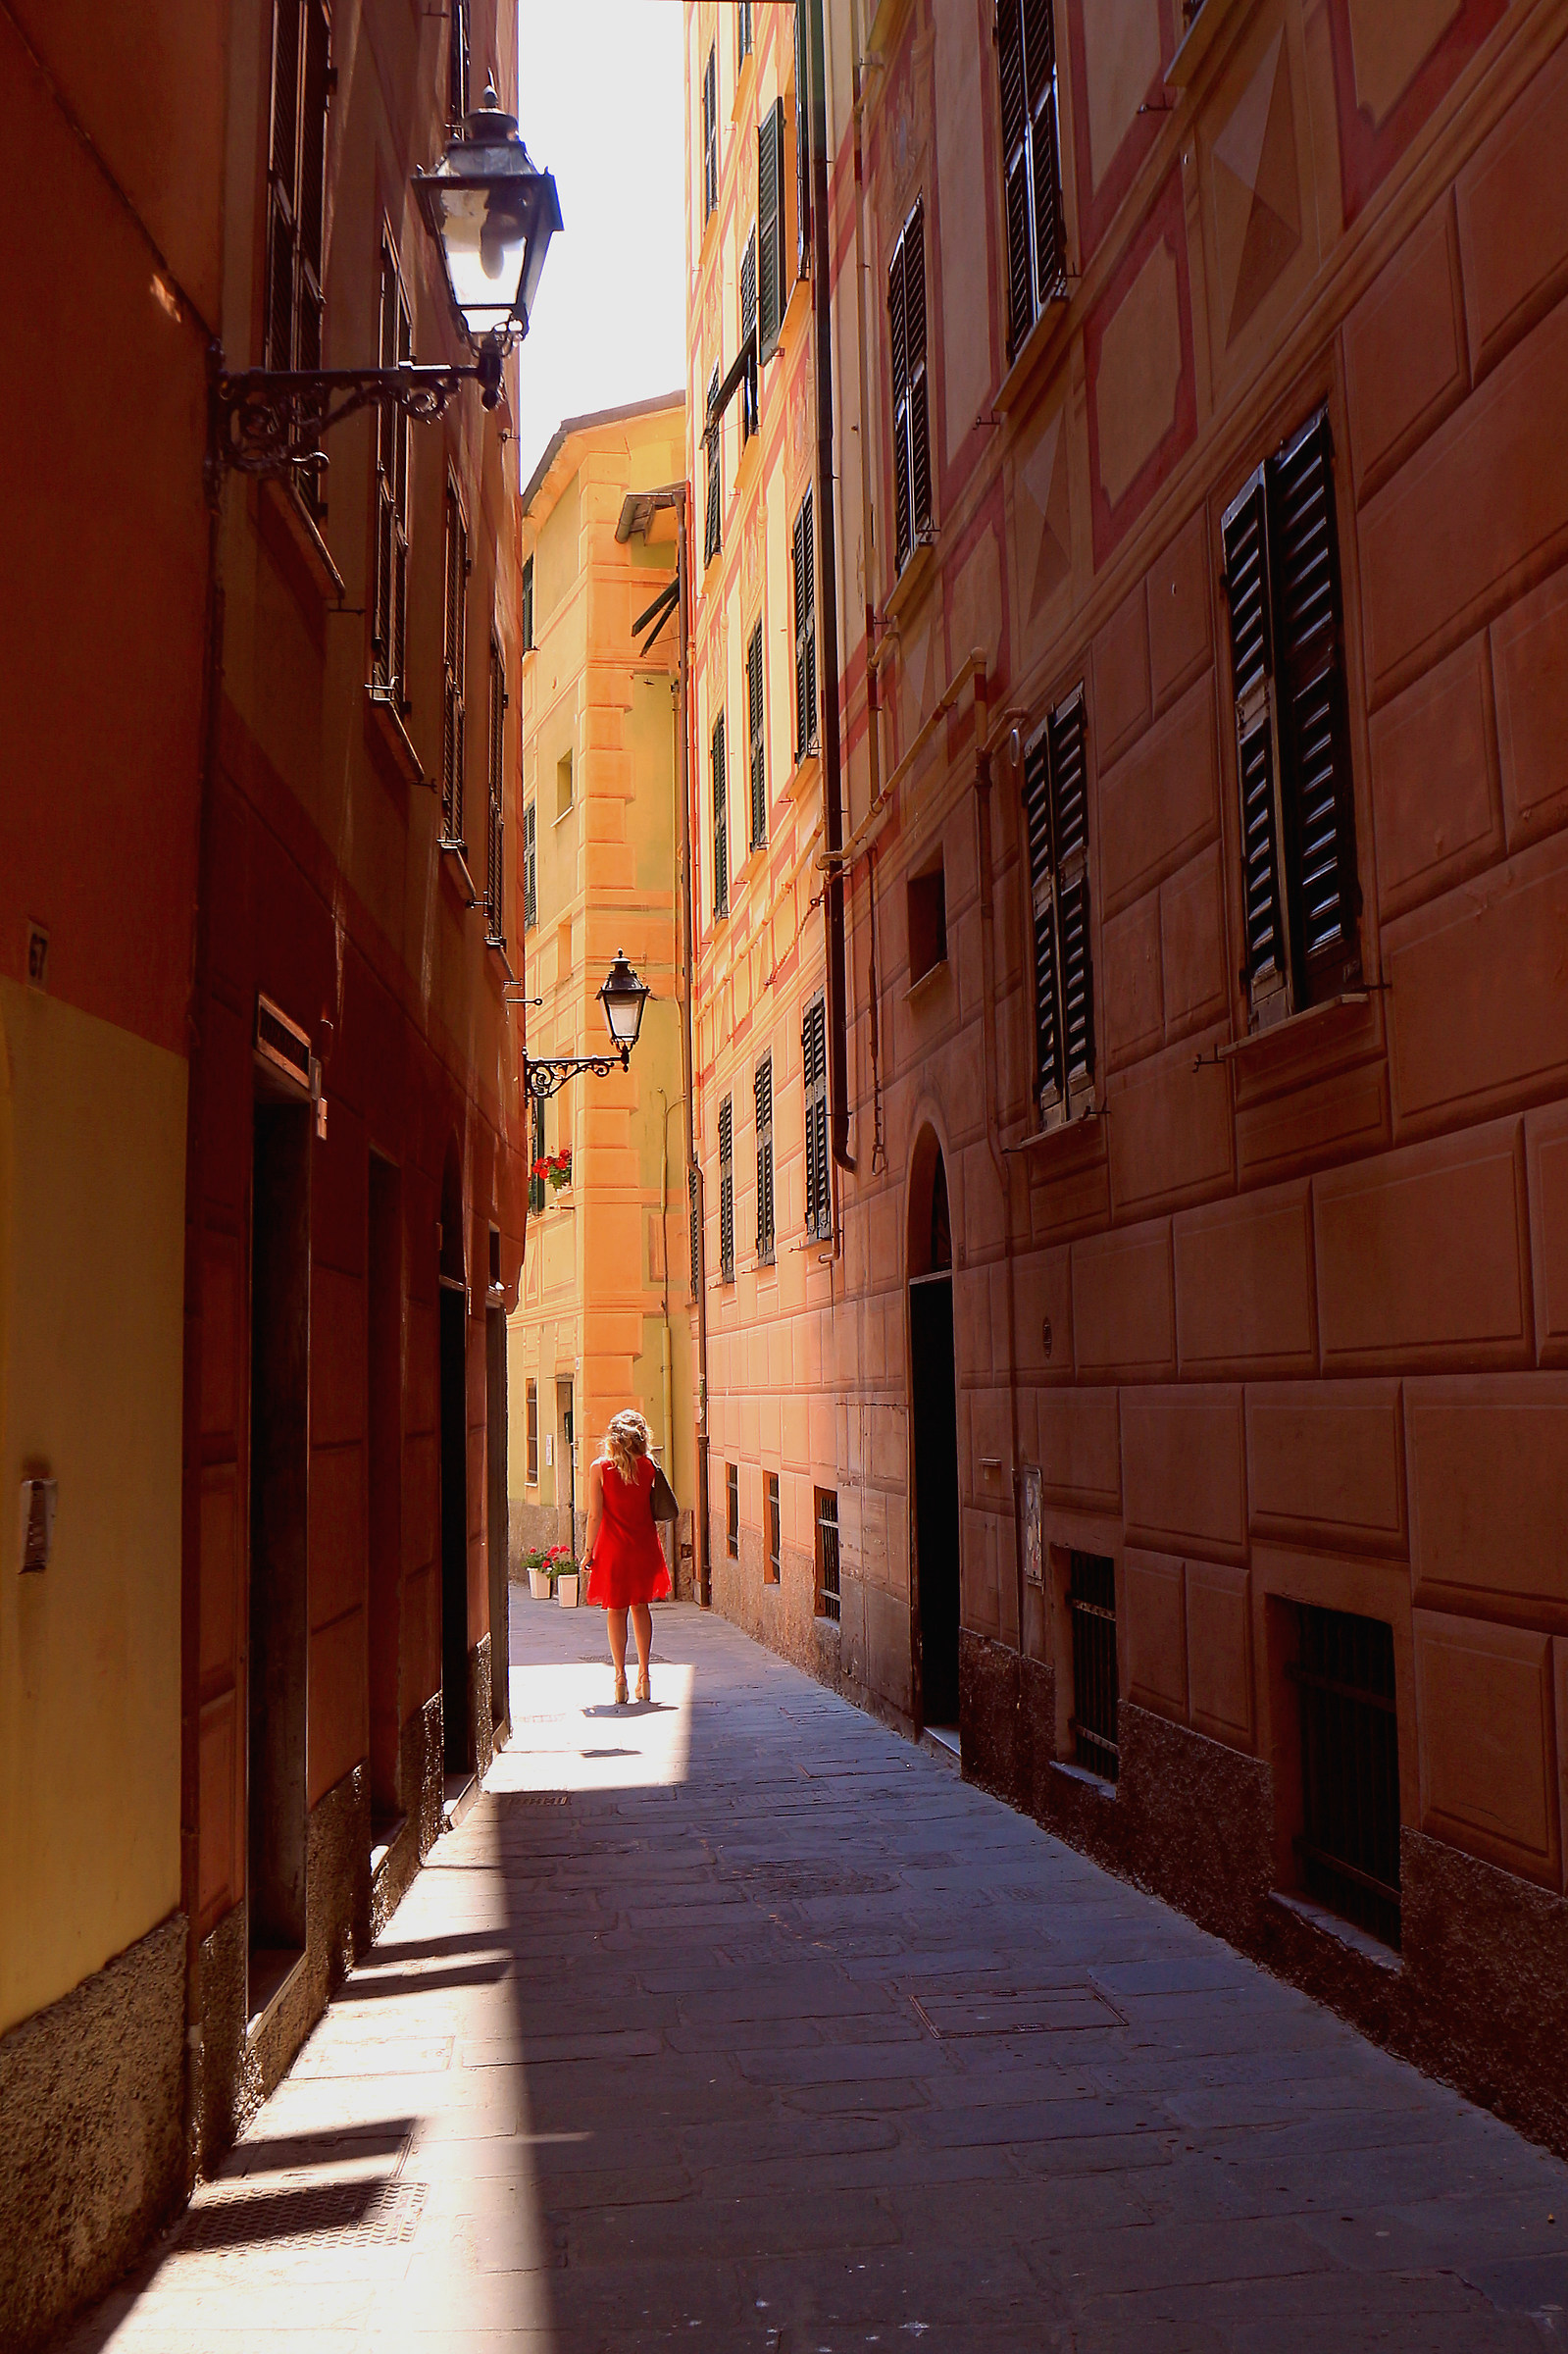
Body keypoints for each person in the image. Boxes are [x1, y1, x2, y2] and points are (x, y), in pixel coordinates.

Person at [582, 1409, 677, 1706]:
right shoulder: (648, 1466)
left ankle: (620, 1677)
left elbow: (595, 1515)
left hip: (612, 1549)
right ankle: (645, 1676)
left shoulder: (600, 1468)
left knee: (616, 1610)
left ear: (612, 1437)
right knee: (641, 1608)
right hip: (644, 1545)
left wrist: (588, 1552)